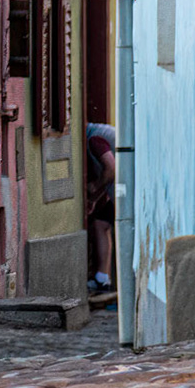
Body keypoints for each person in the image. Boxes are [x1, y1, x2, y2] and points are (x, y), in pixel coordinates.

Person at [85, 122, 117, 295]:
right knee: (101, 223)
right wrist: (95, 199)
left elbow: (111, 169)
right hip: (124, 189)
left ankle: (103, 278)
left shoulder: (94, 139)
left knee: (102, 224)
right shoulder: (101, 131)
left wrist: (95, 187)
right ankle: (102, 278)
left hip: (127, 191)